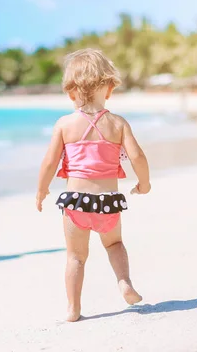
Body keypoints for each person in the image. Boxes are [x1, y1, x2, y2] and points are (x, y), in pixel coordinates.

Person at [36, 49, 151, 322]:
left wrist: (42, 189)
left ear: (71, 92)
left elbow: (50, 162)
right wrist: (143, 183)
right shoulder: (118, 123)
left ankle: (73, 308)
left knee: (75, 257)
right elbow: (137, 156)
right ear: (109, 89)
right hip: (108, 201)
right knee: (115, 245)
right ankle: (124, 283)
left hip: (76, 202)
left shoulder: (64, 124)